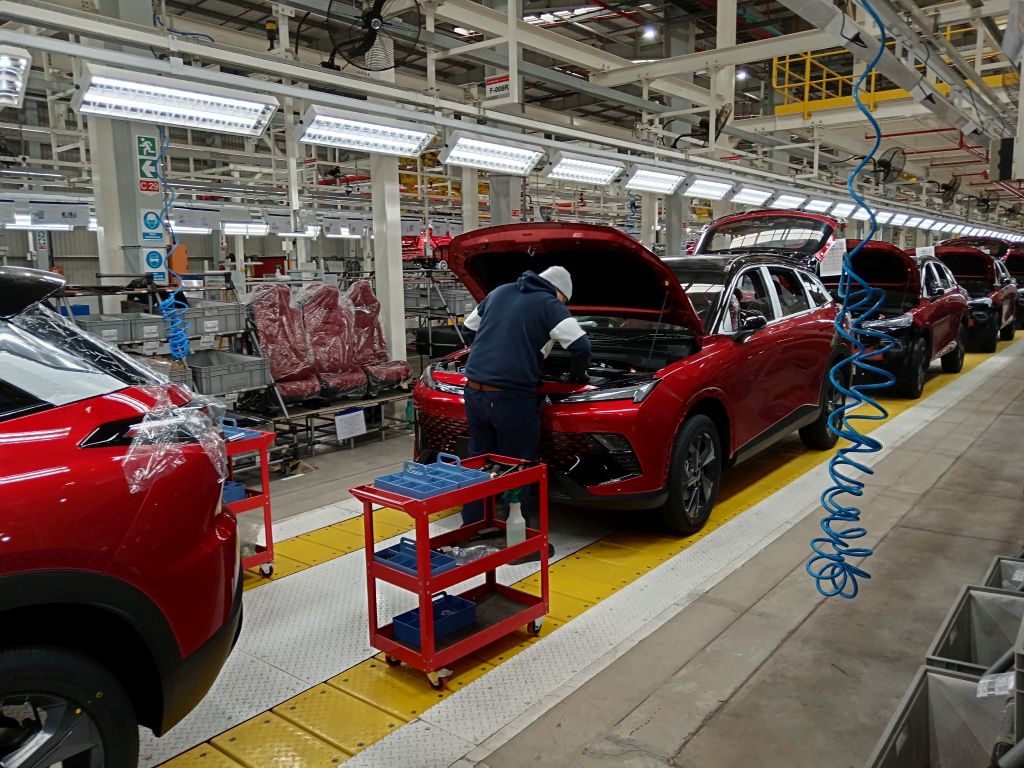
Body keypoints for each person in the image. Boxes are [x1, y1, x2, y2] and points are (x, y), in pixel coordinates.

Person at [459, 266, 592, 527]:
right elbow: (581, 346)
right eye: (564, 300)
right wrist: (578, 377)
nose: (562, 304)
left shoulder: (498, 292)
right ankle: (516, 531)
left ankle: (472, 524)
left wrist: (495, 351)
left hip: (474, 390)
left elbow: (467, 330)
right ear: (559, 292)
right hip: (512, 397)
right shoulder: (548, 303)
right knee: (518, 463)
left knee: (478, 460)